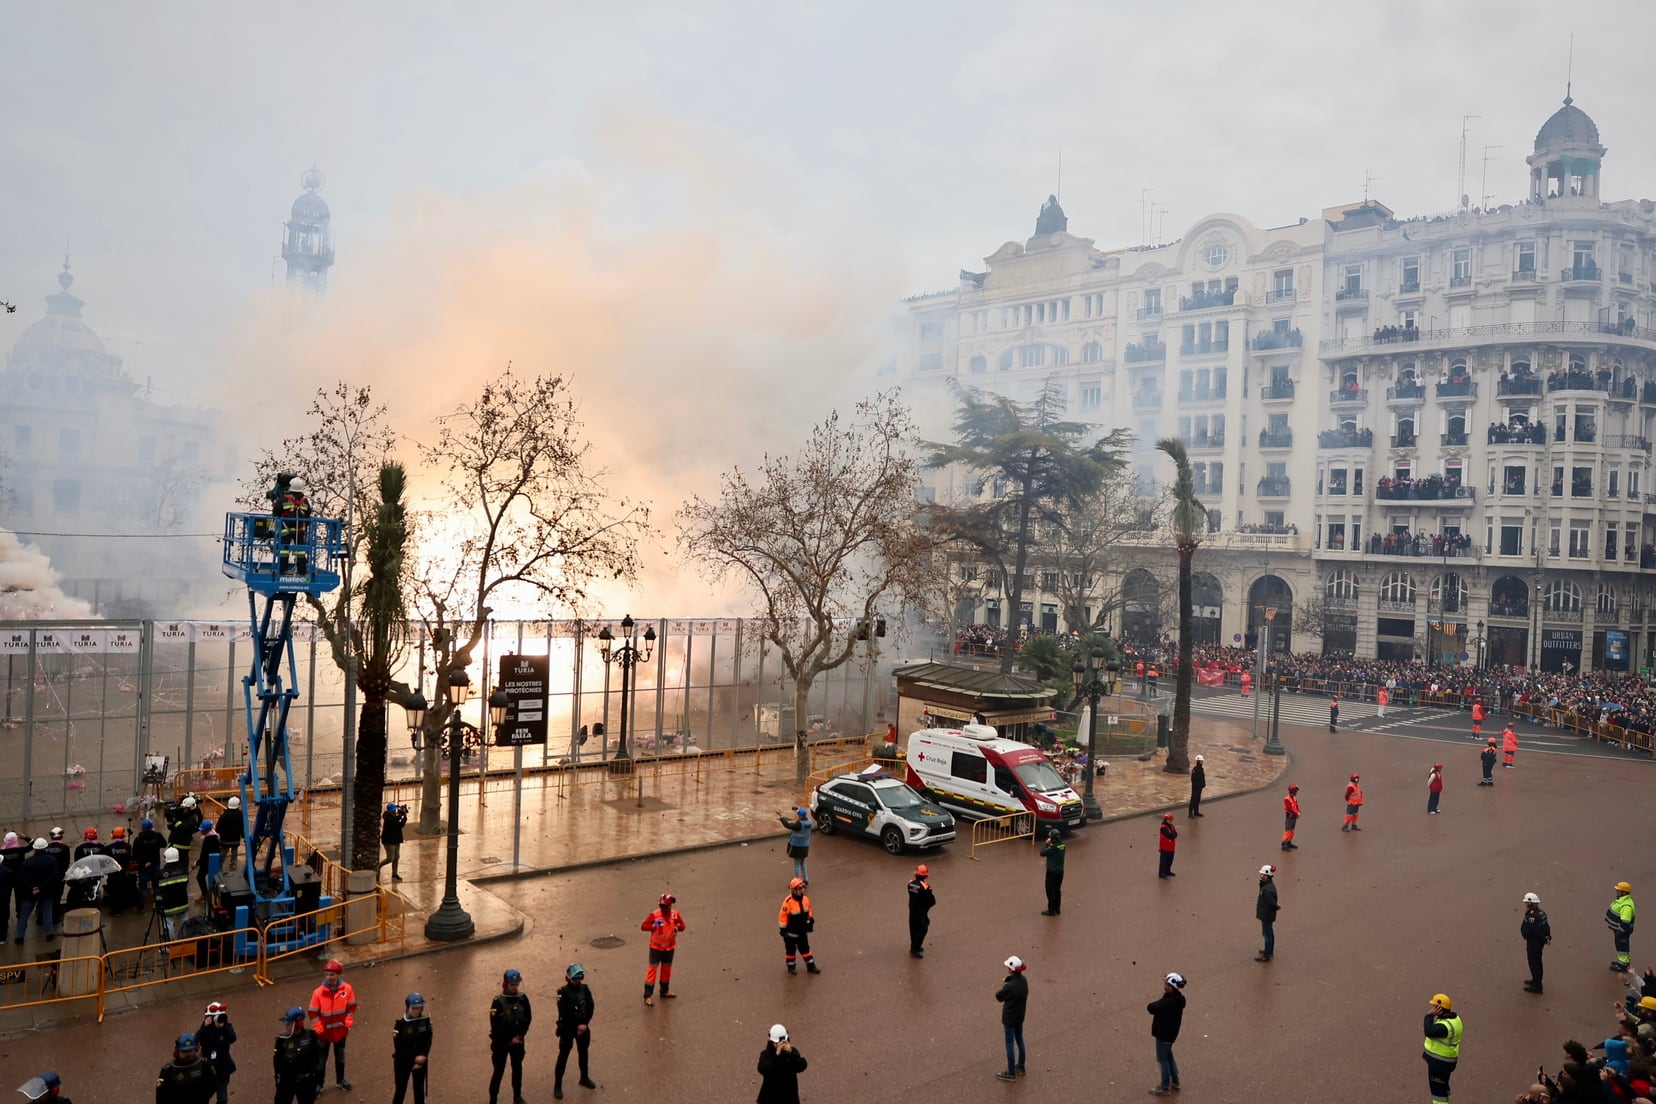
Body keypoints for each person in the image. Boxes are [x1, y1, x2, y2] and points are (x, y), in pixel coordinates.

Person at [307, 958, 357, 1090]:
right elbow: (313, 1013)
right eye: (327, 975)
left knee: (340, 1057)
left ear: (339, 975)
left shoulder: (347, 989)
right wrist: (318, 1028)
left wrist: (348, 1022)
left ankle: (340, 1080)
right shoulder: (318, 993)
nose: (329, 977)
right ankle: (319, 1084)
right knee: (321, 1061)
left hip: (340, 1031)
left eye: (332, 974)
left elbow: (351, 1008)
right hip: (324, 1033)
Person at [489, 967, 532, 1104]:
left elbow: (528, 1017)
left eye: (516, 984)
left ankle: (517, 1096)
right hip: (501, 1044)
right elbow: (495, 1026)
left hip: (518, 1041)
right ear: (505, 984)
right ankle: (493, 1098)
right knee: (498, 1071)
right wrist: (508, 1039)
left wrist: (520, 1036)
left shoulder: (523, 998)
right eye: (512, 984)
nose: (515, 987)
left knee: (517, 1069)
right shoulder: (497, 1001)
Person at [552, 962, 595, 1100]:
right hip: (568, 1029)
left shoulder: (585, 989)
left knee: (583, 1053)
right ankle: (557, 1085)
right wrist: (577, 1027)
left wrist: (585, 1024)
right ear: (568, 978)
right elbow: (564, 1013)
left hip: (583, 1027)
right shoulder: (562, 993)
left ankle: (584, 1077)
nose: (578, 980)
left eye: (580, 977)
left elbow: (591, 1007)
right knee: (563, 1057)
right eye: (575, 978)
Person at [640, 892, 686, 1003]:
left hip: (669, 948)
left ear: (670, 906)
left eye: (665, 907)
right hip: (656, 948)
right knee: (652, 970)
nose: (663, 909)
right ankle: (648, 995)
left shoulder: (675, 915)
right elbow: (643, 926)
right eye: (661, 906)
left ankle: (664, 991)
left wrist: (677, 926)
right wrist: (652, 926)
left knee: (666, 969)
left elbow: (683, 927)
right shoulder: (655, 915)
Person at [1147, 972, 1187, 1095]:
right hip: (1171, 1035)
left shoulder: (1168, 1002)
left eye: (1166, 983)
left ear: (1171, 986)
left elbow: (1152, 1008)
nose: (1164, 985)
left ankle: (1164, 1087)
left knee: (1162, 1060)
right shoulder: (1179, 999)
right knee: (1169, 1056)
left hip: (1163, 1034)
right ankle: (1175, 1080)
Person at [272, 1006, 322, 1104]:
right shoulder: (281, 1040)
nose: (285, 1026)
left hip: (305, 1082)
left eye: (288, 1024)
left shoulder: (311, 1036)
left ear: (298, 1024)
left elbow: (316, 1058)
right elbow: (277, 1061)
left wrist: (310, 1076)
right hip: (287, 1081)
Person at [154, 1033, 218, 1104]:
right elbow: (160, 1094)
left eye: (190, 1050)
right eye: (184, 1051)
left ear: (195, 1049)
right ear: (178, 1051)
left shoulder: (204, 1064)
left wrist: (204, 1097)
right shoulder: (167, 1070)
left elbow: (213, 1082)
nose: (187, 1054)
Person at [1422, 992, 1462, 1104]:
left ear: (1439, 1008)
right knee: (1444, 1089)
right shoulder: (1455, 1019)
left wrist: (1429, 1015)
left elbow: (1428, 1031)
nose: (1432, 1008)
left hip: (1439, 1064)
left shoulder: (1445, 1027)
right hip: (1447, 1062)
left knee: (1438, 1094)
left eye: (1434, 1006)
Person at [391, 993, 431, 1104]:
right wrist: (414, 1059)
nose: (416, 1011)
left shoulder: (425, 1022)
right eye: (414, 1008)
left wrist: (423, 1057)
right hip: (403, 1063)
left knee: (419, 1091)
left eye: (419, 1008)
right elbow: (399, 1048)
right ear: (408, 1008)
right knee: (400, 1091)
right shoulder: (400, 1025)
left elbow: (428, 1040)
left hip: (421, 1062)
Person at [993, 955, 1029, 1082]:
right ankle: (1021, 1066)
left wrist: (1006, 984)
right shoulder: (1024, 981)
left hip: (1009, 1018)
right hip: (1020, 1016)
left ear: (1011, 969)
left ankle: (1011, 1072)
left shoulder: (1009, 986)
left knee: (1009, 1044)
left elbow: (999, 997)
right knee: (1020, 1039)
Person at [16, 839, 57, 944]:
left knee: (24, 916)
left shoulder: (28, 861)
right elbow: (53, 876)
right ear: (45, 848)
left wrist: (31, 888)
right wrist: (41, 887)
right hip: (45, 892)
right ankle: (49, 934)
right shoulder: (52, 860)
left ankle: (20, 937)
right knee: (47, 913)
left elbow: (22, 877)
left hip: (29, 893)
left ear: (34, 848)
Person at [756, 1023, 808, 1104]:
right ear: (771, 1042)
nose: (781, 1045)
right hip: (770, 1097)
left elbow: (801, 1066)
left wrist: (791, 1053)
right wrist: (776, 1056)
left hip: (789, 1096)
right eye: (777, 1043)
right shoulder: (766, 1054)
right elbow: (762, 1069)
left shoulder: (792, 1053)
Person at [195, 1002, 237, 1104]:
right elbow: (196, 1039)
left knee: (222, 1098)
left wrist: (223, 1027)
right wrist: (204, 1026)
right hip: (207, 1067)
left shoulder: (226, 1027)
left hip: (223, 1066)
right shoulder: (205, 1029)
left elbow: (233, 1038)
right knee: (203, 1096)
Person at [777, 877, 820, 974]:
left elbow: (809, 910)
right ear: (794, 890)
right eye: (800, 889)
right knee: (790, 951)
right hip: (790, 933)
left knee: (805, 949)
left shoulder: (806, 900)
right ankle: (791, 967)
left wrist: (810, 920)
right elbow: (782, 917)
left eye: (802, 888)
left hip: (802, 931)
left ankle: (811, 966)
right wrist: (783, 930)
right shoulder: (788, 902)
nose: (802, 890)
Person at [156, 845, 190, 940]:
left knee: (168, 924)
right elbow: (185, 883)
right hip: (182, 901)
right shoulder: (183, 871)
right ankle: (186, 941)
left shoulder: (161, 874)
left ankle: (170, 944)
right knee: (184, 921)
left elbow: (158, 889)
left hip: (168, 904)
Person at [1521, 892, 1551, 994]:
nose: (1525, 905)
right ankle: (1535, 980)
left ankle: (1537, 986)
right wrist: (1547, 937)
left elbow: (1535, 931)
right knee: (1536, 962)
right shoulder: (1541, 913)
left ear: (1530, 903)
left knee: (1534, 963)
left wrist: (1544, 939)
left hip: (1534, 943)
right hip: (1536, 942)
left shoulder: (1532, 916)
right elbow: (1546, 927)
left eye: (1526, 903)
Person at [133, 817, 167, 907]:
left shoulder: (138, 840)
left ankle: (141, 907)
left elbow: (135, 855)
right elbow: (164, 844)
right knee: (156, 887)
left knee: (143, 888)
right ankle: (158, 904)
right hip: (155, 864)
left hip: (143, 867)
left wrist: (144, 861)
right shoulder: (157, 836)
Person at [104, 825, 135, 915]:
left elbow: (107, 861)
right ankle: (124, 906)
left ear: (113, 836)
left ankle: (115, 909)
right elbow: (129, 859)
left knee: (114, 892)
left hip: (113, 873)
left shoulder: (109, 848)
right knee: (123, 889)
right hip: (124, 872)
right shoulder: (128, 846)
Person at [777, 808, 812, 884]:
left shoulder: (799, 824)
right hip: (805, 846)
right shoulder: (809, 822)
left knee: (796, 864)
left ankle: (797, 881)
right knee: (802, 863)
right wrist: (782, 816)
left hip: (797, 846)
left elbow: (789, 825)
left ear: (800, 815)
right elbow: (793, 822)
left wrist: (781, 818)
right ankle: (805, 879)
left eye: (798, 814)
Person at [1608, 881, 1637, 973]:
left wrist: (1620, 933)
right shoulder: (1623, 900)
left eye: (1619, 890)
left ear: (1624, 892)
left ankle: (1623, 966)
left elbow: (1625, 922)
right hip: (1619, 930)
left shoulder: (1626, 906)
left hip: (1622, 931)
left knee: (1622, 946)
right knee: (1621, 946)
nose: (1617, 892)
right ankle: (1624, 962)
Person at [907, 864, 935, 958]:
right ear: (926, 875)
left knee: (913, 929)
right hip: (921, 912)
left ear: (915, 874)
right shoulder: (926, 887)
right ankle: (915, 949)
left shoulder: (910, 884)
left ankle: (914, 947)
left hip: (912, 910)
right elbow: (932, 901)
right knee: (923, 929)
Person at [193, 819, 220, 911]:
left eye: (202, 830)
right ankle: (208, 894)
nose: (201, 831)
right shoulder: (212, 836)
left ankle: (205, 894)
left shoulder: (209, 839)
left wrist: (197, 863)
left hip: (208, 862)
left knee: (200, 877)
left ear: (207, 830)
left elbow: (204, 854)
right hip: (212, 861)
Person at [1255, 865, 1280, 962]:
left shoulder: (1267, 889)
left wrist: (1276, 907)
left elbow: (1271, 903)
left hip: (1266, 915)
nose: (1261, 875)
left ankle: (1267, 954)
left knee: (1267, 934)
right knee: (1268, 933)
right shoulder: (1267, 886)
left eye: (1263, 874)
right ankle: (1268, 950)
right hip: (1267, 914)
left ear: (1267, 875)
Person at [1040, 828, 1066, 915]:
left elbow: (1042, 853)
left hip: (1052, 872)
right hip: (1060, 872)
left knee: (1050, 891)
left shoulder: (1053, 847)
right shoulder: (1063, 845)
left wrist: (1047, 844)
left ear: (1052, 838)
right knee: (1057, 890)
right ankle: (1057, 908)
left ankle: (1051, 910)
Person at [380, 802, 408, 882]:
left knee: (396, 857)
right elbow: (399, 825)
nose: (396, 810)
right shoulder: (389, 819)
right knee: (390, 858)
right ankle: (378, 866)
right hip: (389, 841)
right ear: (391, 811)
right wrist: (404, 817)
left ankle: (394, 874)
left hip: (395, 840)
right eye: (394, 810)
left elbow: (396, 819)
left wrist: (400, 815)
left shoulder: (391, 816)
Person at [217, 797, 244, 872]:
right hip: (235, 840)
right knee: (234, 854)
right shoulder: (241, 815)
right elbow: (243, 827)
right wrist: (243, 836)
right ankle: (233, 867)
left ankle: (219, 867)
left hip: (224, 840)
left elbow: (218, 827)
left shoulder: (224, 815)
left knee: (223, 853)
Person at [1281, 784, 1301, 852]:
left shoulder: (1294, 798)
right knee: (1288, 831)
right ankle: (1284, 844)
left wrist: (1298, 811)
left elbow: (1296, 806)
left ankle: (1289, 842)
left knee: (1292, 831)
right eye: (1296, 791)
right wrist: (1297, 813)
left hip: (1293, 817)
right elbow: (1289, 809)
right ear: (1293, 791)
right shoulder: (1287, 799)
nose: (1296, 792)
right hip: (1290, 816)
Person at [1157, 813, 1178, 878]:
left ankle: (1167, 871)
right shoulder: (1163, 828)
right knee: (1163, 861)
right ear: (1166, 820)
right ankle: (1162, 873)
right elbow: (1170, 835)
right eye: (1169, 820)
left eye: (1171, 820)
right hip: (1165, 847)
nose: (1170, 821)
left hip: (1171, 847)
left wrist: (1173, 835)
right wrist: (1173, 835)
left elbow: (1175, 834)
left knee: (1170, 860)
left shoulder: (1171, 826)